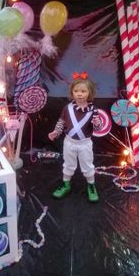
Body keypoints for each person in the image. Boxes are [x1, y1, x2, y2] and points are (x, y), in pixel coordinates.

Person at [48, 72, 102, 202]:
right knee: (68, 164)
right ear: (72, 92)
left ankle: (91, 186)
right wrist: (56, 132)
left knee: (87, 165)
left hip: (85, 143)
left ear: (90, 93)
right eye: (76, 90)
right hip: (69, 142)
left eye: (83, 91)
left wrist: (97, 124)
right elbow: (61, 122)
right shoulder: (67, 108)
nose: (79, 93)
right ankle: (66, 185)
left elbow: (98, 129)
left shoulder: (94, 110)